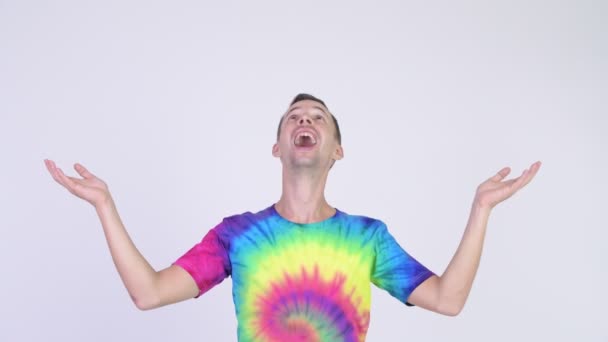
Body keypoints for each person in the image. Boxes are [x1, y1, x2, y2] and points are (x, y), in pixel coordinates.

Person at [44, 93, 541, 341]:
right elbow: (148, 293)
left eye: (317, 117)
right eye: (294, 117)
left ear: (337, 150)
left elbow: (448, 300)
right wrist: (105, 206)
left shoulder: (366, 237)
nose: (305, 120)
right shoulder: (237, 235)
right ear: (278, 146)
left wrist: (481, 209)